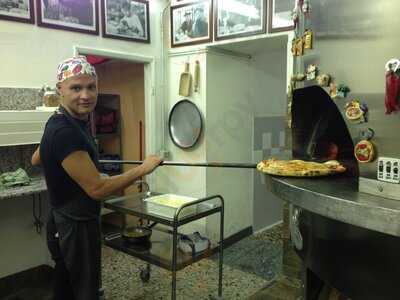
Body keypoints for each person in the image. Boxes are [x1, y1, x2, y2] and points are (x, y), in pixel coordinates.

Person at [31, 56, 162, 300]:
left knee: (67, 282)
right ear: (60, 90)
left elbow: (36, 158)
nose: (86, 95)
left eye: (91, 87)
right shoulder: (65, 131)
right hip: (74, 225)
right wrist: (144, 168)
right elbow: (98, 189)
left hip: (64, 219)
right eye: (76, 88)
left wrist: (78, 166)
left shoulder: (61, 120)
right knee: (84, 289)